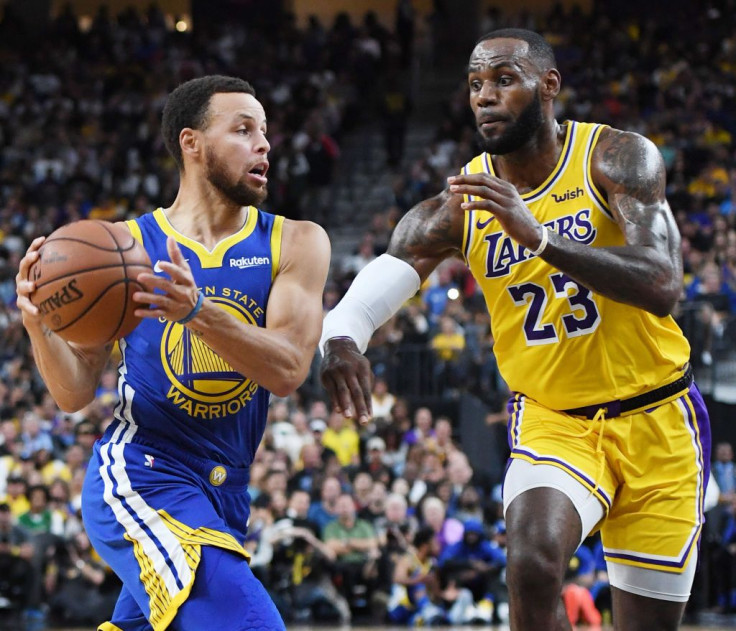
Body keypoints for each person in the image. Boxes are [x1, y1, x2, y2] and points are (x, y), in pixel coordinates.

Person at [320, 29, 710, 630]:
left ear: (547, 86)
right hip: (557, 421)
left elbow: (663, 284)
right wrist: (340, 342)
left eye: (504, 79)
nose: (485, 96)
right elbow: (363, 303)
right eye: (476, 84)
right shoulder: (461, 204)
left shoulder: (616, 157)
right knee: (530, 561)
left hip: (658, 417)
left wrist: (543, 240)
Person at [16, 75, 330, 631]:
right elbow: (72, 394)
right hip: (142, 471)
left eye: (265, 132)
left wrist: (196, 312)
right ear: (192, 143)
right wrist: (38, 324)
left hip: (225, 494)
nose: (265, 145)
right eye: (243, 130)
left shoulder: (296, 241)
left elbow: (287, 370)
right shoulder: (125, 248)